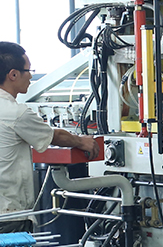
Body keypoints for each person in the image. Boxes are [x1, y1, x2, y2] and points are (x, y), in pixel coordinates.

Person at [0, 42, 98, 232]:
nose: (30, 76)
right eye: (29, 71)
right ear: (13, 75)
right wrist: (82, 141)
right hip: (8, 216)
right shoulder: (16, 113)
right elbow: (54, 136)